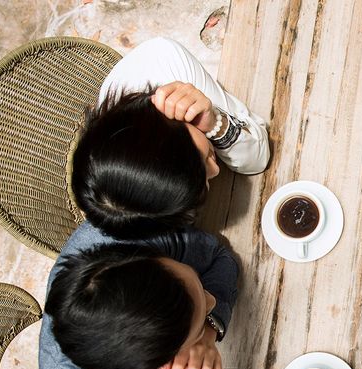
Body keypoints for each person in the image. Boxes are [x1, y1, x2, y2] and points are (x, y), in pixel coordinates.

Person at [38, 221, 239, 369]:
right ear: (161, 365)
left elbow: (218, 257)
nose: (212, 301)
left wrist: (207, 330)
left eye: (192, 276)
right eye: (206, 308)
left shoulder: (121, 231)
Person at [72, 37, 270, 239]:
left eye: (203, 157)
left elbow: (256, 159)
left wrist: (214, 123)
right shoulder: (125, 209)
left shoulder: (166, 64)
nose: (216, 170)